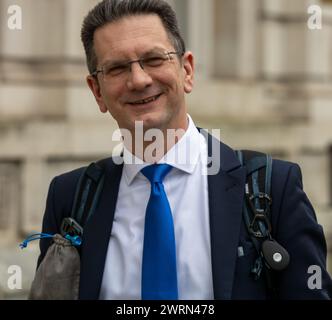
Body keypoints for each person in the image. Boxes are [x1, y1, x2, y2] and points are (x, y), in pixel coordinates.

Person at [36, 0, 332, 300]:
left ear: (186, 70)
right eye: (117, 68)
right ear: (97, 91)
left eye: (153, 59)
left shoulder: (272, 189)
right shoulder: (71, 198)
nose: (138, 79)